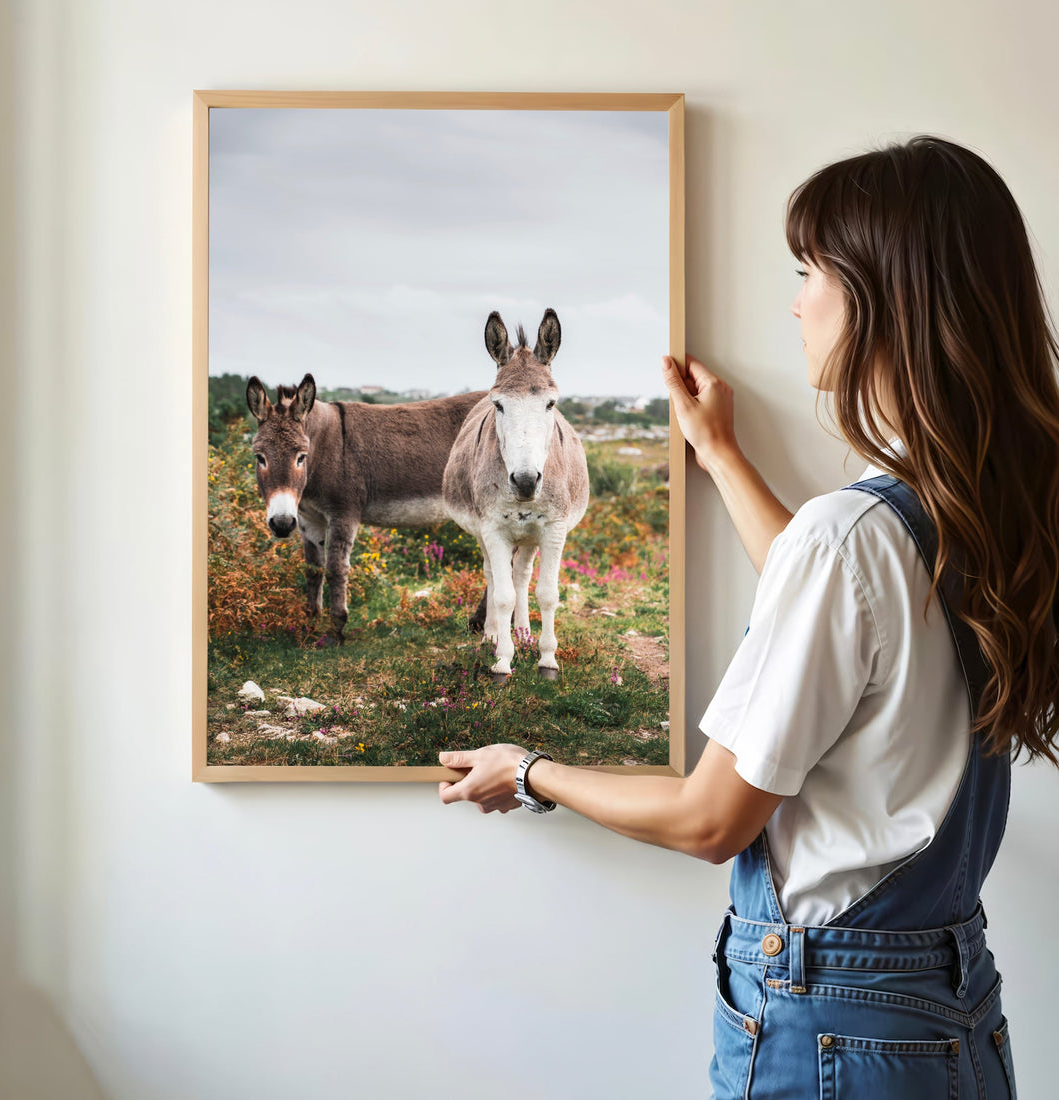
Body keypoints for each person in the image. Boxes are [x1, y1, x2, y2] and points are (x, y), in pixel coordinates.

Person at [437, 134, 1058, 1098]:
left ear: (883, 300)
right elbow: (845, 617)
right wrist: (722, 455)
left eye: (810, 273)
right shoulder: (981, 509)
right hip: (949, 1016)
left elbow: (709, 820)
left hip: (833, 1030)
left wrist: (527, 771)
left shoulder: (853, 537)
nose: (797, 302)